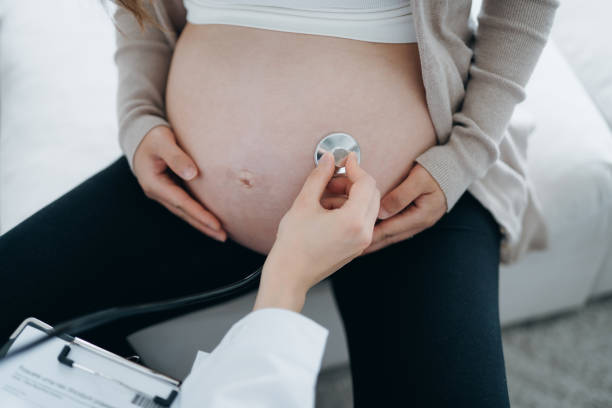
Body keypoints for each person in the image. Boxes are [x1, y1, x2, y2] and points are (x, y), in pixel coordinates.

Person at [0, 0, 560, 406]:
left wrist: (467, 152)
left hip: (407, 204)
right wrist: (137, 113)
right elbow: (138, 7)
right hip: (190, 194)